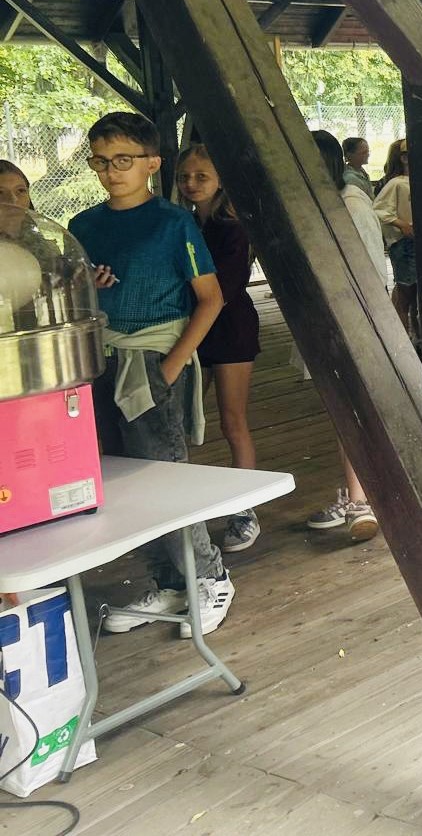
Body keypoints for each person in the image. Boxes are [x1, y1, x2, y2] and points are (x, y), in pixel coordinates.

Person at [69, 112, 235, 637]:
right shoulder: (82, 227)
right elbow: (75, 297)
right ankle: (168, 582)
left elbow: (211, 298)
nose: (111, 171)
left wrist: (170, 365)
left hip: (150, 360)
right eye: (100, 161)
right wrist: (90, 286)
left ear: (152, 164)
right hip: (101, 361)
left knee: (164, 474)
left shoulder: (172, 223)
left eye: (123, 159)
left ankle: (210, 577)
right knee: (122, 477)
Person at [176, 144, 262, 553]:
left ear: (221, 179)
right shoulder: (184, 223)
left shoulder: (233, 228)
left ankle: (245, 511)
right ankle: (178, 513)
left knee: (232, 422)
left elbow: (221, 292)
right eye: (184, 177)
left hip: (229, 328)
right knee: (179, 422)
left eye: (201, 177)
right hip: (191, 328)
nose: (191, 184)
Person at [304, 131, 382, 542]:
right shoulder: (318, 203)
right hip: (326, 321)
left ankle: (361, 499)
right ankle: (358, 494)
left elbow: (372, 270)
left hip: (353, 322)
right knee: (342, 410)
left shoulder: (351, 204)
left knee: (353, 410)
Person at [373, 139, 418, 339]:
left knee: (415, 296)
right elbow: (379, 209)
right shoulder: (397, 183)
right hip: (405, 244)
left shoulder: (411, 181)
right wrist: (402, 224)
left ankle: (416, 336)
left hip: (415, 243)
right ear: (404, 158)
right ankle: (403, 338)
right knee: (405, 294)